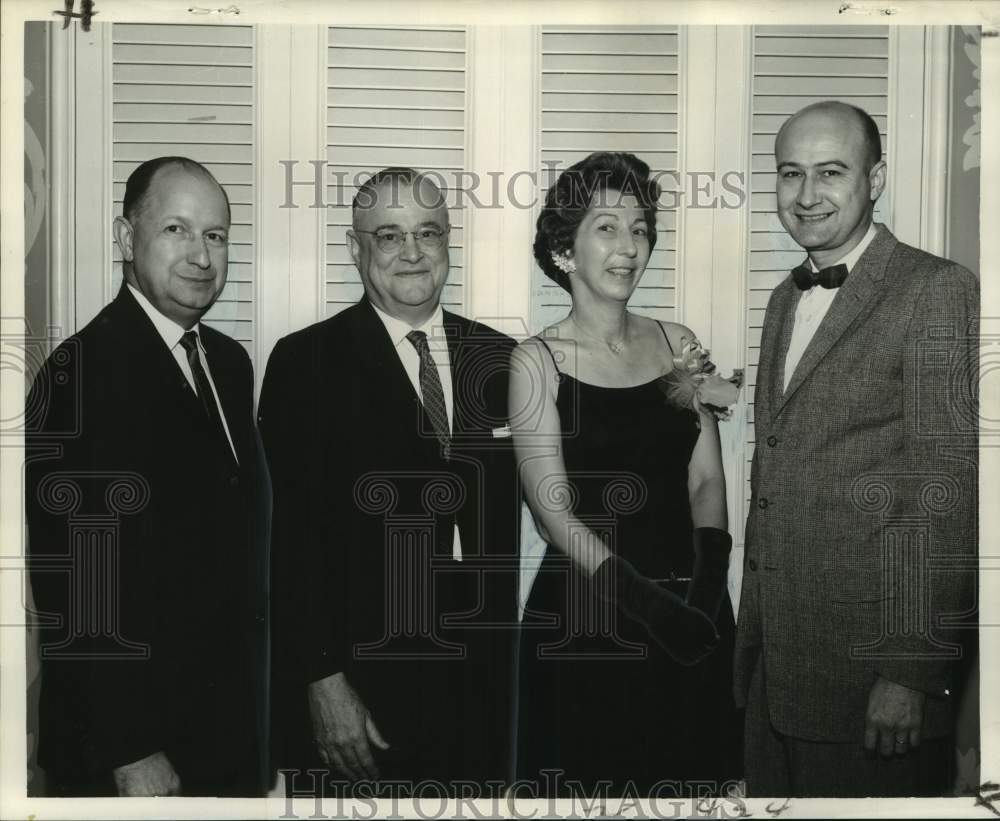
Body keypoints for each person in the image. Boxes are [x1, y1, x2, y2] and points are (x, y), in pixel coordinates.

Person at [734, 101, 979, 797]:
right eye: (790, 173)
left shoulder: (937, 289)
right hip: (775, 674)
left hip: (874, 683)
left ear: (875, 180)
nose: (806, 195)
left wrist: (909, 669)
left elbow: (951, 492)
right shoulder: (786, 296)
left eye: (830, 172)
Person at [259, 168, 519, 795]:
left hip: (483, 690)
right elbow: (283, 541)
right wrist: (321, 683)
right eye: (389, 235)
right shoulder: (305, 363)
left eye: (428, 232)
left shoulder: (504, 357)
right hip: (362, 695)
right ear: (356, 248)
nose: (411, 253)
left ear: (448, 242)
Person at [25, 157, 267, 796]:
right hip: (130, 751)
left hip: (221, 731)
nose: (201, 255)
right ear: (126, 239)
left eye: (215, 235)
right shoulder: (78, 375)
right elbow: (75, 583)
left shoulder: (228, 363)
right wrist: (129, 748)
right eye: (176, 230)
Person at [511, 152, 741, 796]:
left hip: (694, 611)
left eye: (640, 228)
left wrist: (702, 598)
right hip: (588, 621)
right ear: (565, 247)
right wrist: (650, 607)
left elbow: (706, 481)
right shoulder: (536, 361)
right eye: (607, 227)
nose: (629, 247)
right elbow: (553, 512)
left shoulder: (678, 343)